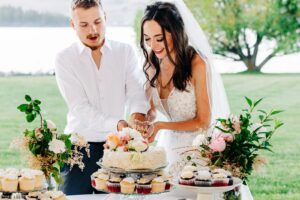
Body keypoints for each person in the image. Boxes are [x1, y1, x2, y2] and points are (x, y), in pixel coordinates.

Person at [140, 1, 253, 200]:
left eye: (159, 38)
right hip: (168, 150)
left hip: (198, 152)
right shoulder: (151, 62)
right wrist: (147, 120)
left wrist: (161, 125)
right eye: (147, 39)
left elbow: (203, 120)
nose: (153, 45)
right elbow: (151, 109)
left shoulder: (196, 63)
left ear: (174, 32)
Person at [54, 0, 149, 195]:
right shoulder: (64, 58)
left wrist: (137, 117)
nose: (93, 29)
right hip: (78, 152)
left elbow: (136, 92)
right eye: (84, 25)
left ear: (105, 18)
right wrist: (119, 124)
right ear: (73, 25)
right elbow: (80, 108)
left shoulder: (125, 52)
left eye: (98, 21)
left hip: (119, 151)